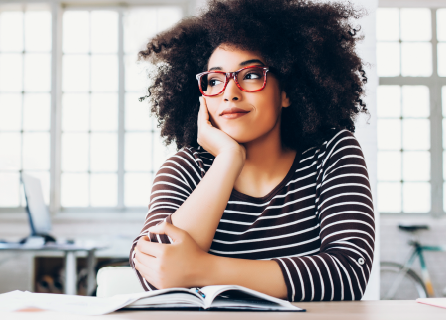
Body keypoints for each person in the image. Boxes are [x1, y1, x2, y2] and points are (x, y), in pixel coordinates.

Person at [129, 0, 374, 302]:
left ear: (287, 92)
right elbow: (154, 272)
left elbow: (348, 274)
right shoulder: (184, 169)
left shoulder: (332, 154)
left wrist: (201, 269)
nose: (230, 92)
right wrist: (228, 160)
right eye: (215, 81)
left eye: (251, 75)